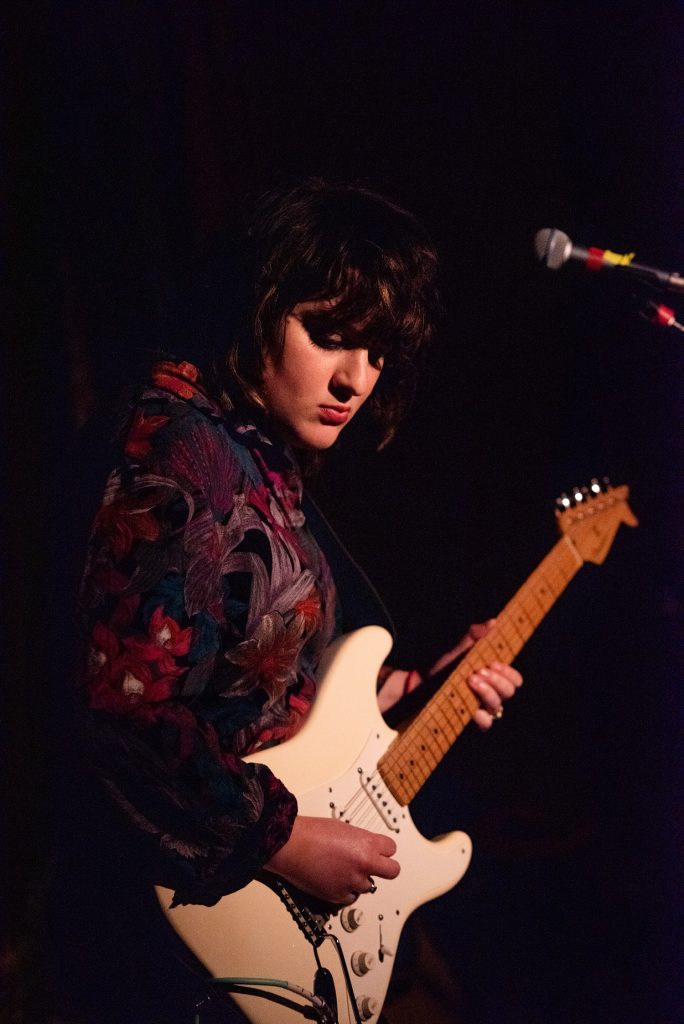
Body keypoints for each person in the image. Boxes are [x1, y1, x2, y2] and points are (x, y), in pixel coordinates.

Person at [62, 180, 522, 1021]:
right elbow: (124, 711)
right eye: (330, 337)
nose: (355, 381)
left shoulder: (252, 453)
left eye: (378, 354)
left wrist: (408, 698)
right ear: (262, 305)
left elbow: (246, 685)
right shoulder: (177, 451)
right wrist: (288, 839)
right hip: (181, 944)